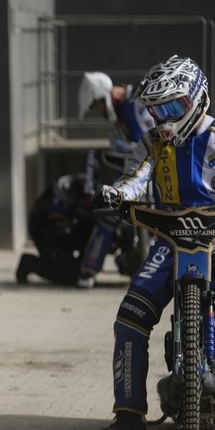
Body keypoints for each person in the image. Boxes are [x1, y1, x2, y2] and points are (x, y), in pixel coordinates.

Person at [94, 55, 215, 430]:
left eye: (172, 108)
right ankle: (129, 414)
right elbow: (135, 178)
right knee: (129, 319)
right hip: (168, 240)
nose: (163, 120)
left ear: (198, 98)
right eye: (156, 111)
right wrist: (118, 193)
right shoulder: (150, 143)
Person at [75, 71, 155, 288]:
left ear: (101, 96)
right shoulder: (119, 114)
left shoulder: (137, 101)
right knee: (108, 215)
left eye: (96, 106)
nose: (98, 111)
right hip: (137, 177)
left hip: (160, 175)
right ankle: (88, 271)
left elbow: (148, 140)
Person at [15, 173, 95, 286]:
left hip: (61, 235)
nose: (88, 202)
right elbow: (62, 226)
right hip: (47, 236)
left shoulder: (74, 192)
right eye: (85, 199)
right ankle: (28, 263)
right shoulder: (57, 203)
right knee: (70, 276)